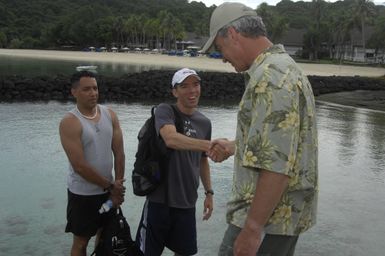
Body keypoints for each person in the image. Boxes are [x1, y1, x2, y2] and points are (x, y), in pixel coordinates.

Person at [202, 3, 319, 256]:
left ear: (232, 33)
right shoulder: (286, 68)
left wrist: (252, 228)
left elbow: (277, 165)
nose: (222, 57)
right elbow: (286, 143)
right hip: (282, 219)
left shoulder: (270, 79)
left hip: (263, 219)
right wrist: (237, 146)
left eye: (220, 48)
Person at [135, 68, 214, 256]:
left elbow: (203, 161)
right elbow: (171, 139)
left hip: (187, 202)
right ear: (174, 91)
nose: (192, 90)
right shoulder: (165, 110)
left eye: (196, 84)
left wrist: (209, 192)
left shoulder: (205, 123)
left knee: (185, 253)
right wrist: (211, 145)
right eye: (184, 86)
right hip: (160, 201)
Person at [59, 70, 126, 256]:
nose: (93, 93)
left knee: (105, 235)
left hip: (108, 193)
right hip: (83, 196)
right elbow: (79, 166)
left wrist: (118, 184)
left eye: (95, 88)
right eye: (87, 89)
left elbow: (119, 152)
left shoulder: (110, 115)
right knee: (81, 242)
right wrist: (111, 186)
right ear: (74, 92)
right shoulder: (70, 122)